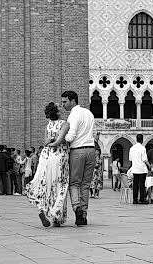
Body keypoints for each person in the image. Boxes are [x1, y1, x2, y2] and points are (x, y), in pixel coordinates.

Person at [26, 102, 70, 227]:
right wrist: (53, 142)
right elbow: (58, 141)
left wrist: (49, 142)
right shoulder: (65, 124)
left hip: (45, 156)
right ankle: (55, 213)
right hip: (59, 156)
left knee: (45, 183)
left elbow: (45, 141)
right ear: (57, 112)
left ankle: (41, 209)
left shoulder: (48, 125)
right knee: (61, 184)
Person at [62, 91, 96, 226]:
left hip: (78, 151)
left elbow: (71, 135)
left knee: (74, 183)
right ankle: (84, 214)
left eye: (65, 102)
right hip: (91, 150)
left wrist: (58, 139)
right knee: (86, 185)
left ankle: (77, 208)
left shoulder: (73, 115)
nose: (63, 104)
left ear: (72, 101)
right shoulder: (88, 113)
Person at [129, 134, 151, 204]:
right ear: (142, 140)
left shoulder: (132, 148)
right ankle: (142, 199)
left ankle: (135, 199)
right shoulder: (142, 148)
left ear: (136, 139)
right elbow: (144, 159)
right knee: (142, 184)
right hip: (142, 169)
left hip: (135, 169)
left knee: (135, 184)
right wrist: (149, 166)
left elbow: (130, 159)